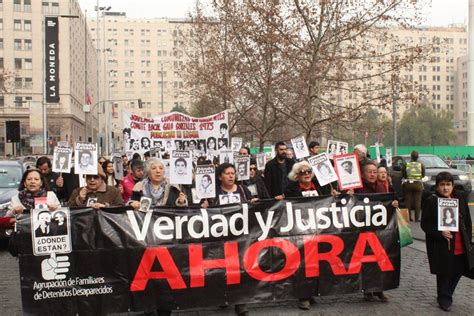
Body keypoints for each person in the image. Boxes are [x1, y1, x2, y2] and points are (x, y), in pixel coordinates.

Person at [421, 172, 473, 312]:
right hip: (442, 245)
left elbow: (467, 219)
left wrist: (468, 238)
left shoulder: (460, 197)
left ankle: (446, 293)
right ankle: (444, 298)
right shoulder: (431, 201)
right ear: (437, 186)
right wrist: (440, 232)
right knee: (444, 272)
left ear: (452, 185)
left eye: (448, 185)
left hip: (460, 243)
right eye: (442, 185)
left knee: (459, 270)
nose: (445, 188)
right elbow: (425, 224)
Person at [355, 162, 398, 303]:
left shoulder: (381, 187)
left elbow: (389, 202)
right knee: (367, 260)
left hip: (380, 230)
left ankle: (379, 289)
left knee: (380, 259)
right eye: (370, 172)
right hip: (364, 230)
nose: (373, 174)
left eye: (375, 172)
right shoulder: (358, 189)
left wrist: (393, 204)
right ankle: (367, 290)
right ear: (363, 174)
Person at [402, 150, 425, 222]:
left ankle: (409, 218)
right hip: (418, 184)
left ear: (411, 156)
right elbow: (423, 175)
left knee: (408, 201)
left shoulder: (406, 164)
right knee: (417, 201)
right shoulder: (421, 165)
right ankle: (417, 218)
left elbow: (403, 174)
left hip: (408, 184)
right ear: (417, 157)